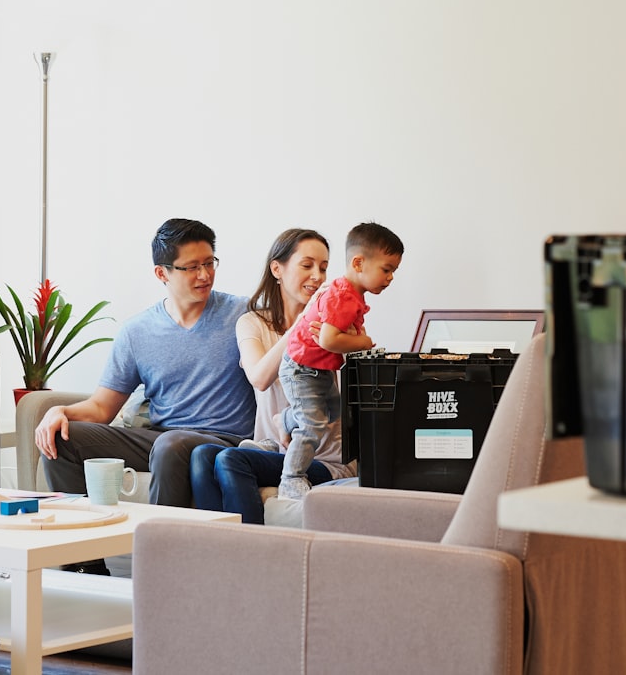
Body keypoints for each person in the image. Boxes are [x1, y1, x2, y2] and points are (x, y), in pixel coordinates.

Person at [34, 218, 256, 517]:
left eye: (209, 263)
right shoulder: (137, 332)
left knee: (170, 444)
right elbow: (102, 409)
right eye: (191, 267)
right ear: (161, 273)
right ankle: (87, 563)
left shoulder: (243, 313)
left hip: (224, 440)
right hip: (161, 439)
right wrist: (59, 412)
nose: (204, 275)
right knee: (64, 440)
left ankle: (160, 554)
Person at [190, 228, 357, 523]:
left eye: (323, 267)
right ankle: (217, 554)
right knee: (202, 456)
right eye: (307, 266)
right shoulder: (252, 323)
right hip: (269, 449)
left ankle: (253, 554)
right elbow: (259, 377)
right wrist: (301, 325)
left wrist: (323, 324)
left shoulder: (333, 328)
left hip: (322, 458)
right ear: (277, 269)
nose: (317, 276)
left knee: (231, 459)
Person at [277, 222, 403, 500]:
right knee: (313, 426)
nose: (391, 277)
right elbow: (329, 340)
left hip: (319, 368)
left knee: (335, 413)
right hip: (301, 368)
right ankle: (291, 479)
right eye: (387, 269)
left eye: (394, 270)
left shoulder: (351, 294)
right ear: (359, 262)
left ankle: (285, 420)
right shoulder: (341, 295)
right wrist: (364, 342)